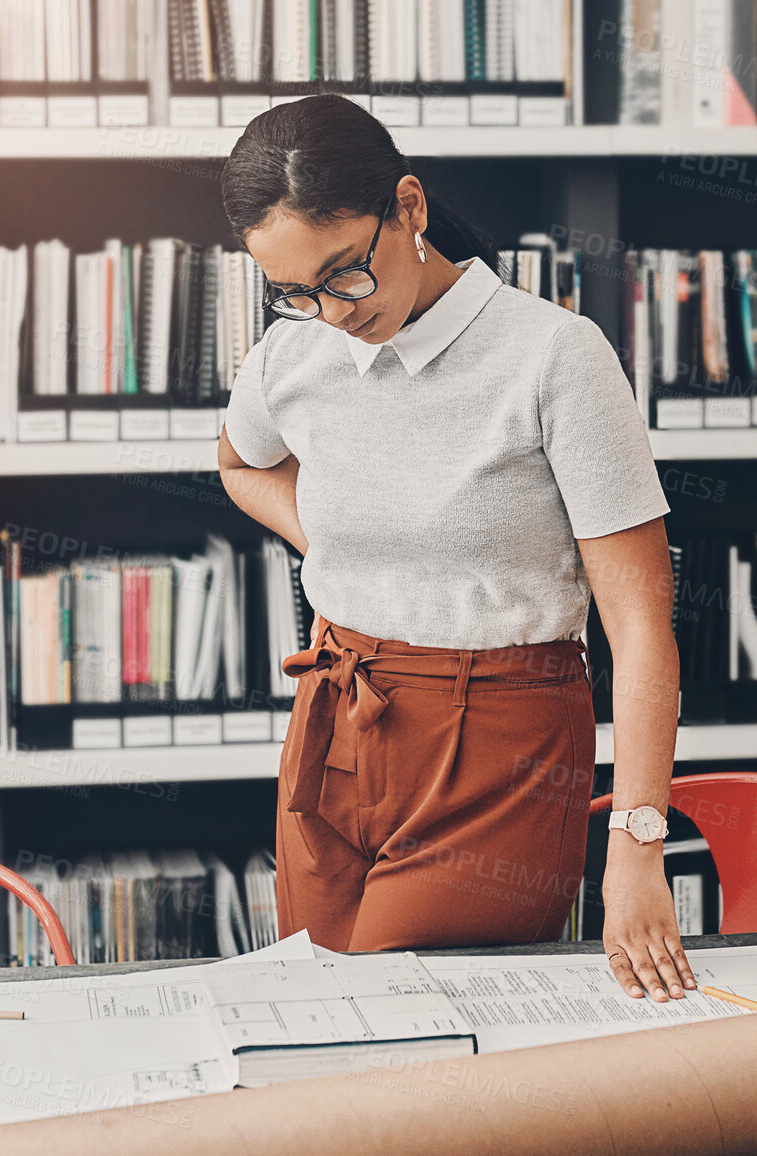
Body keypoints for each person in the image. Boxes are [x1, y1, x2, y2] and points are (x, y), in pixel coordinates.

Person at [216, 95, 690, 1003]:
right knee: (315, 1014)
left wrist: (636, 844)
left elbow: (639, 625)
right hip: (336, 710)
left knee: (419, 1033)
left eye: (344, 274)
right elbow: (240, 462)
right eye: (293, 291)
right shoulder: (294, 353)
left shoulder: (554, 355)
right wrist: (358, 548)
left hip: (498, 741)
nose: (328, 311)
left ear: (409, 207)